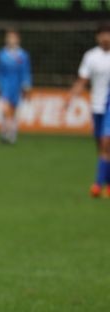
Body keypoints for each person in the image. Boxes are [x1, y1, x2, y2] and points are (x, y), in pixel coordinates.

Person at [69, 23, 110, 198]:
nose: (106, 37)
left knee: (106, 143)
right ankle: (108, 183)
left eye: (108, 34)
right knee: (101, 147)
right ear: (97, 37)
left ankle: (97, 185)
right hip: (97, 106)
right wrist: (71, 96)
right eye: (103, 34)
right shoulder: (91, 56)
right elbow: (83, 80)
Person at [0, 28, 32, 144]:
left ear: (18, 40)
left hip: (17, 85)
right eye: (9, 37)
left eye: (13, 38)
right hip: (5, 84)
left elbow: (25, 71)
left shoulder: (23, 55)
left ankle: (11, 133)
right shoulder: (1, 54)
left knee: (14, 110)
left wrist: (26, 86)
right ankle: (5, 132)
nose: (11, 40)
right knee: (5, 109)